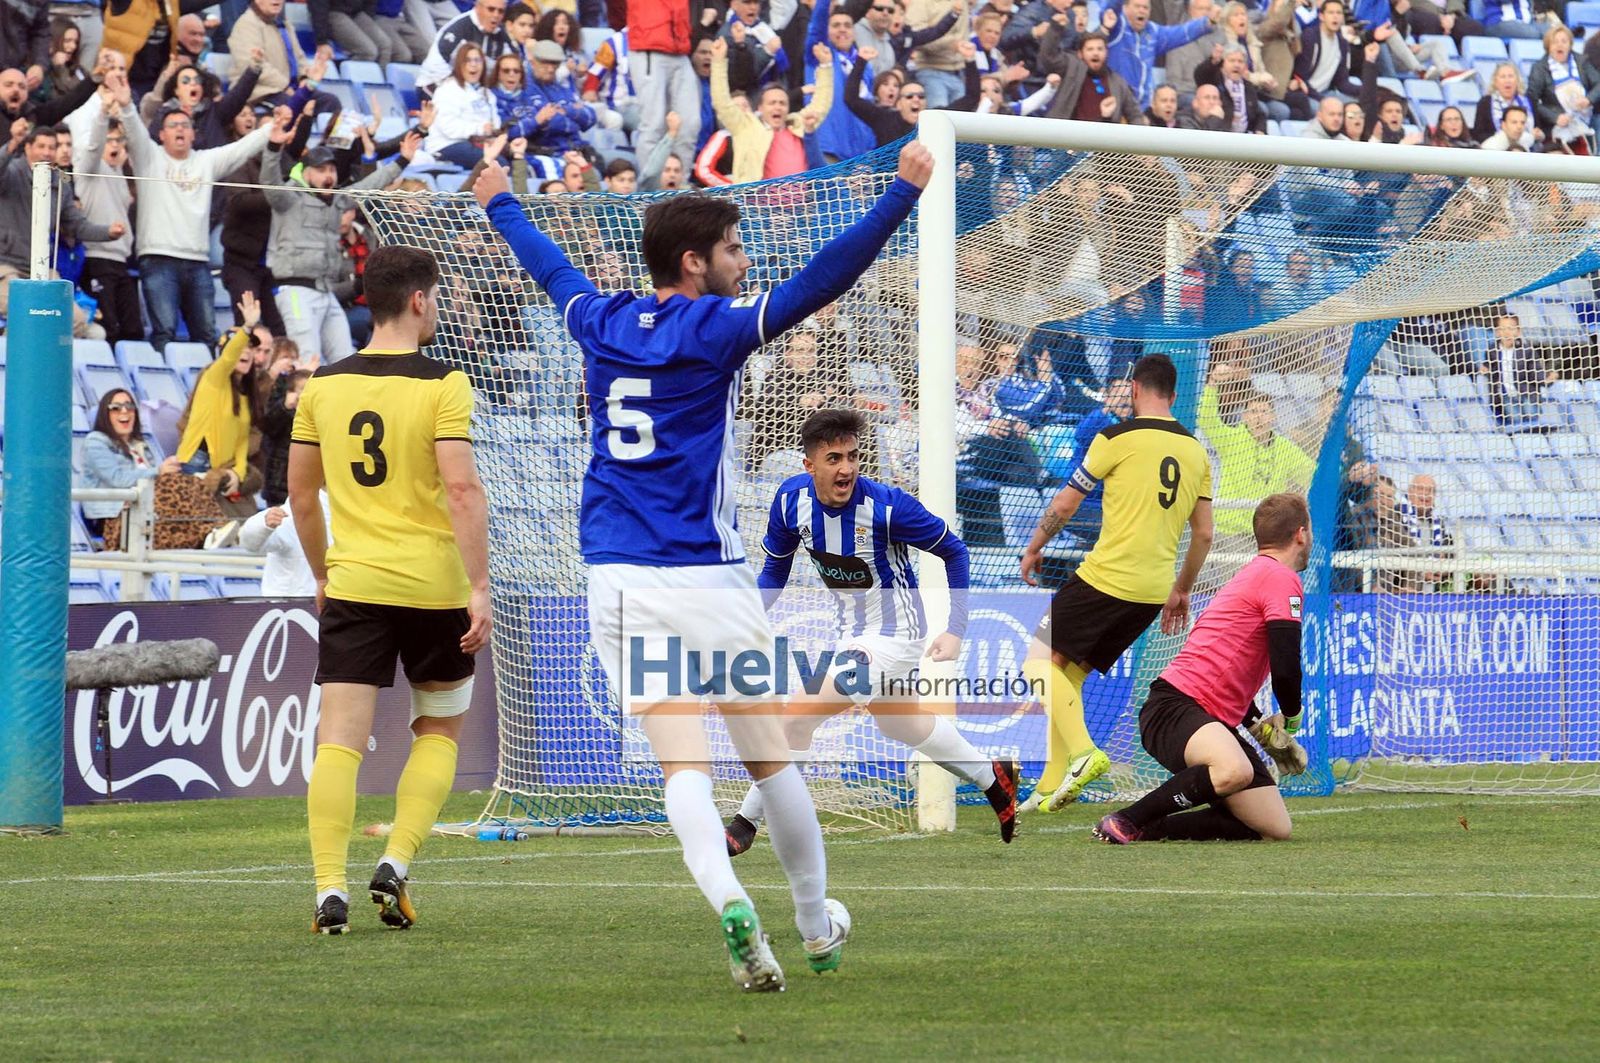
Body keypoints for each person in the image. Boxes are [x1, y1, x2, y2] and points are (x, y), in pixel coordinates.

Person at [474, 139, 935, 992]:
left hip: (615, 574)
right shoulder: (716, 328)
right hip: (708, 574)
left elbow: (548, 269)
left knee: (679, 762)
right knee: (768, 756)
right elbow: (818, 283)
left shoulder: (599, 318)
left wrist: (503, 201)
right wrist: (900, 197)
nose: (744, 260)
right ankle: (814, 924)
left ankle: (728, 895)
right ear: (694, 261)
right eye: (731, 248)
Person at [288, 245, 493, 936]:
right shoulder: (445, 383)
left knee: (338, 743)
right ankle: (396, 860)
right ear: (418, 300)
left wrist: (321, 571)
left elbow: (300, 494)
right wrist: (481, 584)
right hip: (434, 587)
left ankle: (326, 890)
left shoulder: (322, 385)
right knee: (437, 729)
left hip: (356, 583)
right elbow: (461, 488)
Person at [724, 408, 1019, 857]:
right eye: (834, 459)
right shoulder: (789, 501)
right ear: (809, 465)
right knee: (899, 721)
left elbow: (954, 552)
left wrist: (956, 629)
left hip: (896, 637)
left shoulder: (887, 506)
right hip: (852, 634)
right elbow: (773, 573)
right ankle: (991, 775)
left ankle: (745, 824)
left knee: (797, 715)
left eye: (853, 457)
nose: (846, 469)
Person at [1017, 354, 1214, 812]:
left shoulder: (1115, 437)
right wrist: (1181, 589)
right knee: (1067, 673)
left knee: (1036, 663)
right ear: (1174, 394)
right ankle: (1049, 784)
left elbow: (1066, 503)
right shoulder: (1194, 450)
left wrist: (1034, 545)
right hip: (1150, 592)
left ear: (1134, 389)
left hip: (1105, 579)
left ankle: (1085, 754)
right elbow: (1204, 533)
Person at [1093, 492, 1308, 844]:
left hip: (1197, 716)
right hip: (1175, 708)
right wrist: (1293, 718)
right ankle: (1126, 819)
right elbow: (1286, 664)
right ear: (1301, 534)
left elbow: (1224, 673)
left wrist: (1260, 729)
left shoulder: (1255, 574)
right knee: (1232, 770)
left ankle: (1151, 829)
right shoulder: (1280, 577)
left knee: (1272, 826)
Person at [112, 71, 275, 350]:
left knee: (208, 336)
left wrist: (273, 128)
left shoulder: (206, 161)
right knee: (164, 332)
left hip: (198, 262)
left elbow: (243, 148)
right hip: (158, 259)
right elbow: (136, 134)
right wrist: (127, 107)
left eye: (185, 125)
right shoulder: (149, 158)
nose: (179, 129)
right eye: (173, 125)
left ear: (194, 134)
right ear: (161, 134)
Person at [261, 120, 419, 362]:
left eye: (332, 170)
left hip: (326, 290)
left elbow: (368, 187)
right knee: (307, 356)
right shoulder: (289, 199)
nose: (329, 176)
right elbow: (269, 183)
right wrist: (273, 148)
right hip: (295, 290)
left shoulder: (337, 201)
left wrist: (402, 161)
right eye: (321, 170)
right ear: (307, 173)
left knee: (345, 358)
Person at [0, 120, 118, 335]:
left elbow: (76, 225)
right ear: (27, 147)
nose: (47, 152)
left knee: (76, 320)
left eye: (51, 148)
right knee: (25, 310)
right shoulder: (11, 173)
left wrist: (108, 232)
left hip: (41, 269)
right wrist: (12, 143)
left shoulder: (59, 185)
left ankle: (42, 363)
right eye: (41, 146)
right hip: (5, 267)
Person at [1196, 361, 1316, 539]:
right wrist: (1212, 383)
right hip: (1229, 533)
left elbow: (1312, 475)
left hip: (1267, 536)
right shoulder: (1230, 439)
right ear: (1244, 416)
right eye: (1253, 412)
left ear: (1274, 416)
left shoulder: (1285, 448)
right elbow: (1206, 420)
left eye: (1264, 411)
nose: (1259, 417)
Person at [176, 293, 264, 494]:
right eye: (243, 345)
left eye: (251, 347)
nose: (247, 351)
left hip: (221, 470)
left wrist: (238, 474)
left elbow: (242, 442)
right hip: (195, 462)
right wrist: (247, 327)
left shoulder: (245, 395)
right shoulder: (213, 376)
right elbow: (227, 358)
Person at [80, 388, 184, 541]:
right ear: (105, 415)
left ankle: (212, 531)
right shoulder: (95, 442)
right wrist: (159, 471)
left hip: (146, 507)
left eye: (129, 407)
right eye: (115, 408)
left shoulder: (140, 444)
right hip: (113, 516)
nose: (124, 411)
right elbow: (117, 479)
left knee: (189, 483)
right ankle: (209, 533)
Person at [1101, 0, 1217, 108]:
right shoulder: (1117, 26)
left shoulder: (1153, 31)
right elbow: (1110, 8)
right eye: (1137, 6)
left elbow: (1181, 33)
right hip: (1114, 103)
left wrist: (1207, 22)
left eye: (1145, 7)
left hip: (1142, 108)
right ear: (1125, 8)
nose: (1142, 10)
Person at [424, 42, 498, 168]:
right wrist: (480, 129)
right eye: (467, 60)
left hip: (478, 143)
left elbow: (495, 122)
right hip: (446, 145)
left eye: (477, 60)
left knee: (517, 158)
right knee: (497, 164)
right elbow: (449, 128)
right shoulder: (447, 90)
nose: (473, 65)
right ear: (459, 65)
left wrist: (492, 131)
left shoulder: (487, 94)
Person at [1526, 25, 1600, 150]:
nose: (1560, 45)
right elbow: (1532, 100)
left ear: (1570, 45)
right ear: (1548, 46)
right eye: (1555, 42)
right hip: (1556, 123)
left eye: (1564, 41)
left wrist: (1588, 100)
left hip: (1586, 118)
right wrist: (1554, 117)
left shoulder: (1582, 61)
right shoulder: (1539, 68)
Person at [417, 0, 512, 95]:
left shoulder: (501, 35)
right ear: (478, 7)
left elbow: (512, 65)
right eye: (491, 9)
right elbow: (436, 68)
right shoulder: (459, 28)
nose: (496, 15)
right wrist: (463, 91)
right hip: (436, 86)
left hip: (475, 90)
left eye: (501, 11)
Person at [239, 491, 325, 596]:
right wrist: (263, 523)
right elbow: (249, 543)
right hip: (289, 603)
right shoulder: (288, 517)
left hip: (333, 601)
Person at [1483, 310, 1554, 427]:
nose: (1506, 333)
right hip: (1506, 395)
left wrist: (1546, 379)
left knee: (1532, 420)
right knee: (1516, 422)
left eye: (1510, 329)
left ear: (1518, 331)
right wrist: (1485, 367)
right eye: (1502, 329)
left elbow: (1534, 370)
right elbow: (1490, 365)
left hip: (1526, 393)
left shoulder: (1526, 350)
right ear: (1497, 332)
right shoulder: (1492, 350)